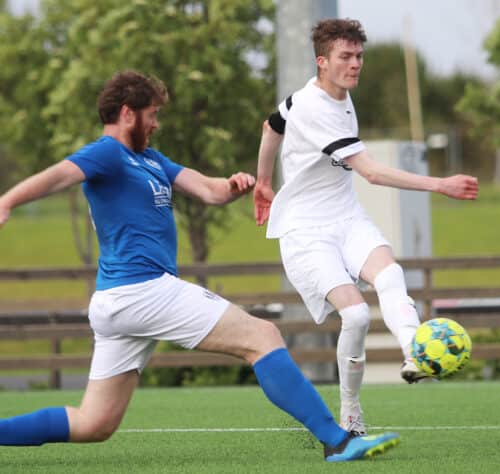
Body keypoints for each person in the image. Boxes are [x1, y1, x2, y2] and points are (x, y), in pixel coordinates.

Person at [0, 70, 400, 462]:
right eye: (152, 114)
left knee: (94, 424)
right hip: (142, 290)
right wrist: (8, 201)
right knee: (262, 336)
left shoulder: (150, 159)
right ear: (127, 113)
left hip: (120, 301)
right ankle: (338, 441)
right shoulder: (107, 153)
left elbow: (208, 190)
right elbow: (58, 176)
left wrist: (233, 186)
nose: (156, 123)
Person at [253, 18, 479, 435]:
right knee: (356, 315)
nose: (355, 64)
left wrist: (264, 181)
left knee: (390, 275)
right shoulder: (314, 107)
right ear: (322, 61)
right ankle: (351, 412)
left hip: (347, 217)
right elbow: (371, 173)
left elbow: (272, 125)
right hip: (306, 232)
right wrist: (440, 184)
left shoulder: (325, 95)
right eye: (345, 56)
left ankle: (415, 353)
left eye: (359, 56)